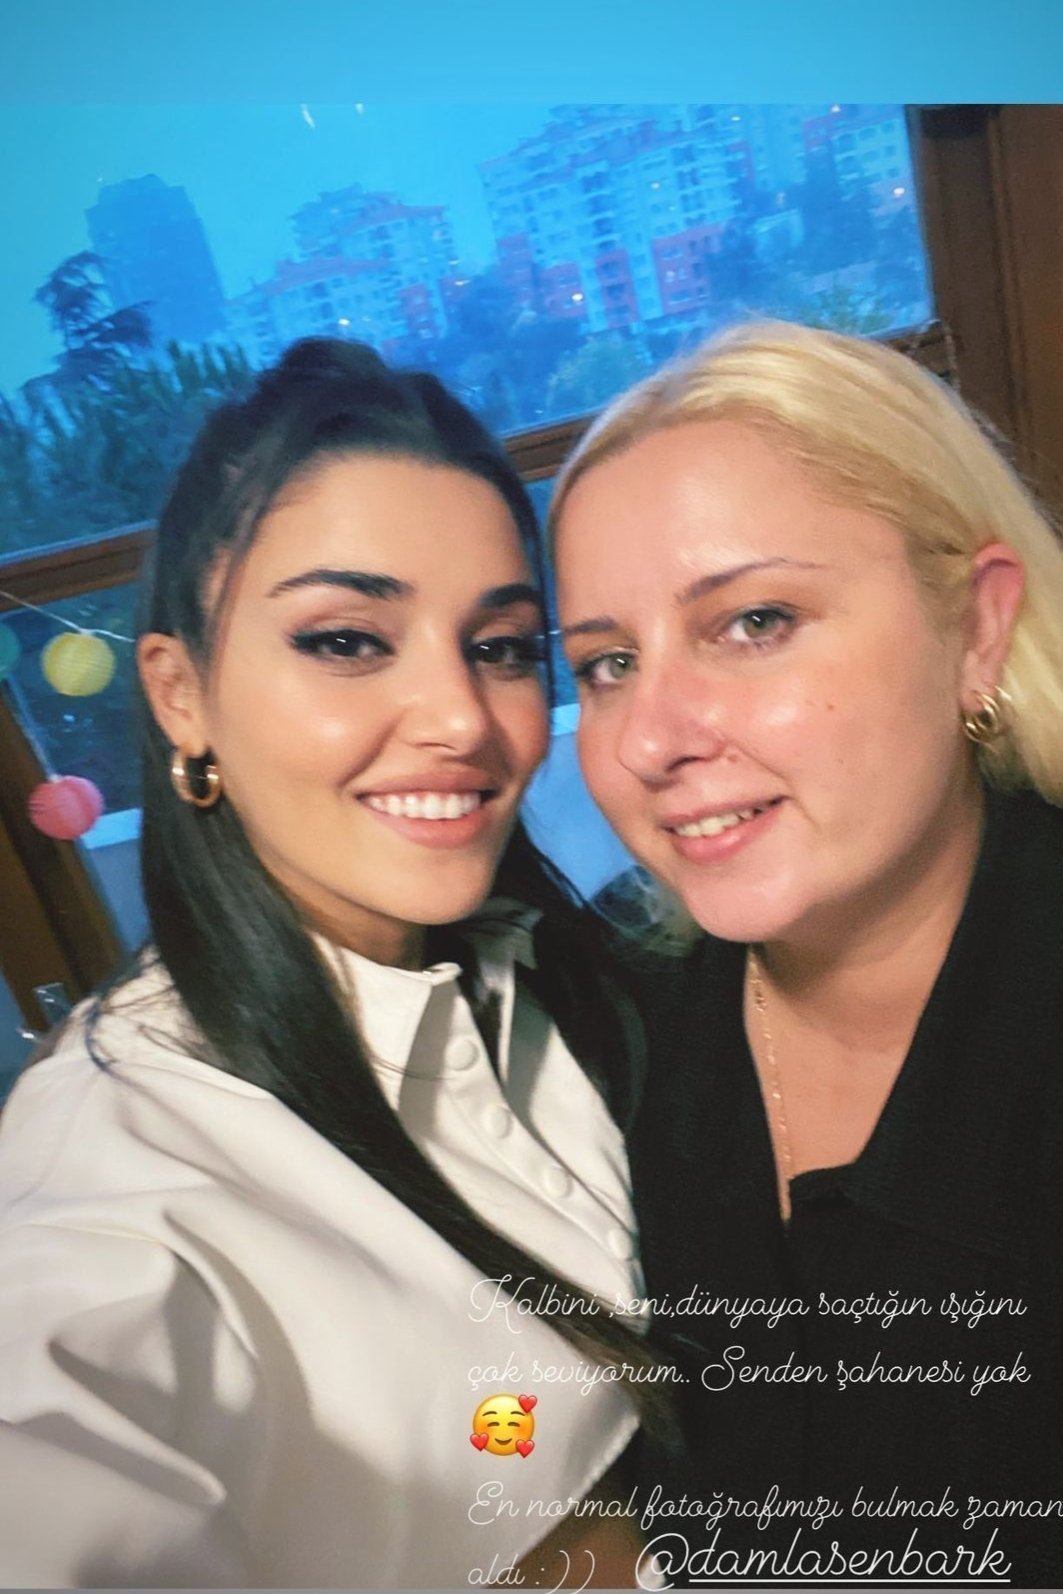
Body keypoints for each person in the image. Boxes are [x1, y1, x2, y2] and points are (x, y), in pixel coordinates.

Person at [0, 340, 658, 1589]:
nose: (461, 717)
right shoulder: (111, 1173)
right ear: (181, 694)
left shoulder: (547, 973)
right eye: (349, 639)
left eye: (502, 646)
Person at [551, 320, 1063, 1587]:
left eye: (753, 620)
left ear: (976, 628)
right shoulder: (595, 1012)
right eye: (606, 664)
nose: (650, 738)